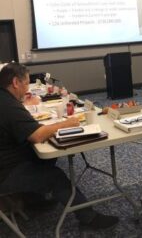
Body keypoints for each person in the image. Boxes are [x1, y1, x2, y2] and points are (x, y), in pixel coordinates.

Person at [0, 63, 119, 229]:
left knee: (49, 155)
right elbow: (37, 135)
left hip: (10, 158)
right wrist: (66, 124)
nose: (28, 89)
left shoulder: (5, 99)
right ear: (15, 82)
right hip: (5, 173)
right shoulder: (8, 105)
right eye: (26, 83)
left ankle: (33, 198)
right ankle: (88, 218)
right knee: (54, 176)